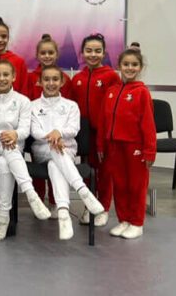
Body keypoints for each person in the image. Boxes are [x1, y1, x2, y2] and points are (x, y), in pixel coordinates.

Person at [30, 65, 104, 240]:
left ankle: (63, 214)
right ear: (40, 82)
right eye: (46, 79)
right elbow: (34, 131)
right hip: (42, 150)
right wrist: (53, 137)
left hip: (66, 150)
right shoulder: (32, 106)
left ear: (62, 82)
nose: (51, 83)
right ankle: (83, 191)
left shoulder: (71, 106)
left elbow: (74, 129)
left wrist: (59, 133)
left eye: (55, 79)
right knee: (55, 150)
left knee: (54, 164)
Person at [0, 60, 51, 241]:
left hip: (14, 145)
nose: (2, 78)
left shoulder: (23, 101)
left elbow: (25, 130)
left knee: (5, 162)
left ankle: (2, 219)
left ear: (14, 77)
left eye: (6, 75)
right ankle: (31, 193)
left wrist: (14, 134)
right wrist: (2, 135)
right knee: (8, 152)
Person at [99, 43, 156, 240]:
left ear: (140, 67)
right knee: (120, 184)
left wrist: (149, 151)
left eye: (134, 65)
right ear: (119, 66)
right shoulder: (112, 91)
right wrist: (101, 144)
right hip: (114, 146)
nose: (130, 68)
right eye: (126, 64)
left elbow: (148, 125)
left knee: (136, 186)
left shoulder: (142, 92)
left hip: (135, 147)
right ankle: (124, 220)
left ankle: (137, 222)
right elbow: (104, 121)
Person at [69, 33, 121, 227]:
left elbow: (114, 107)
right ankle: (89, 206)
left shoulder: (111, 76)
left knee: (105, 173)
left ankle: (103, 209)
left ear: (104, 53)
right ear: (82, 53)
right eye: (89, 51)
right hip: (84, 135)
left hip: (104, 134)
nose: (93, 55)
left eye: (97, 51)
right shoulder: (78, 78)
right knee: (87, 172)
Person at [25, 34, 72, 209]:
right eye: (43, 53)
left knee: (56, 166)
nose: (47, 56)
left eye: (50, 53)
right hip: (37, 132)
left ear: (56, 54)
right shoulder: (31, 78)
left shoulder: (64, 78)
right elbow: (26, 103)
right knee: (38, 167)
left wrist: (59, 131)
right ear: (37, 55)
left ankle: (54, 201)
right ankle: (39, 203)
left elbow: (68, 105)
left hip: (58, 134)